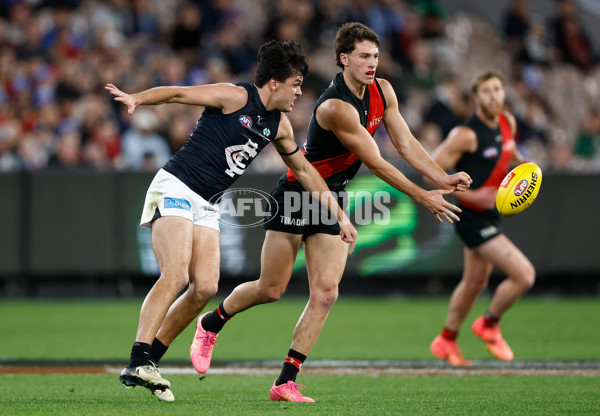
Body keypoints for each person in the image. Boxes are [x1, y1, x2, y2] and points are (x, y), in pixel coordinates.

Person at [190, 22, 472, 402]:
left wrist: (442, 176)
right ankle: (211, 323)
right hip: (297, 192)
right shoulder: (335, 106)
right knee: (270, 289)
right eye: (363, 57)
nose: (372, 63)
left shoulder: (383, 91)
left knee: (325, 294)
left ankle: (285, 381)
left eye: (375, 56)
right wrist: (425, 196)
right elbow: (377, 162)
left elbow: (405, 142)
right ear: (344, 59)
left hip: (331, 198)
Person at [105, 40, 357, 403]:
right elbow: (178, 93)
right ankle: (137, 359)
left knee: (205, 288)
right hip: (177, 185)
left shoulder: (280, 127)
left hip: (208, 203)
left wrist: (338, 216)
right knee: (176, 275)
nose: (300, 92)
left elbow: (304, 170)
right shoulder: (234, 96)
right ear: (274, 83)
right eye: (296, 83)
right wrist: (137, 99)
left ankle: (150, 362)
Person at [428, 70, 536, 366]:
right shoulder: (465, 135)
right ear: (475, 98)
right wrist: (475, 196)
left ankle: (446, 340)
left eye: (498, 90)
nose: (494, 96)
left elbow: (507, 157)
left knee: (475, 281)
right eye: (487, 91)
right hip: (471, 216)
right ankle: (488, 324)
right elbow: (433, 172)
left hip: (491, 212)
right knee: (524, 275)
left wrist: (523, 170)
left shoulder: (508, 122)